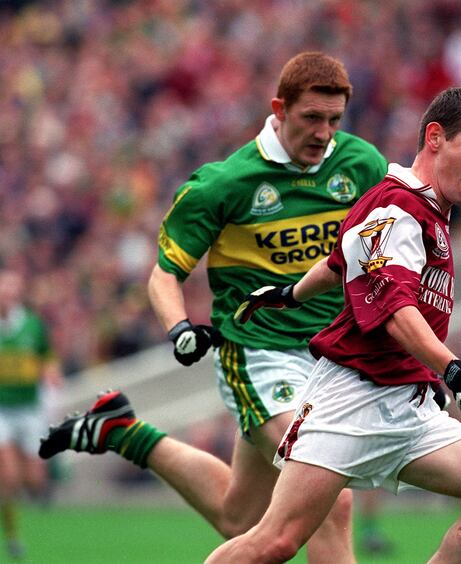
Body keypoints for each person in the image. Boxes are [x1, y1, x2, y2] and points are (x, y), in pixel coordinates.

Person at [39, 52, 388, 562]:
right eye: (312, 117)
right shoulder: (224, 183)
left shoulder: (363, 164)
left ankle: (121, 431)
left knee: (239, 518)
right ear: (280, 109)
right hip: (259, 353)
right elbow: (165, 274)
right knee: (326, 487)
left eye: (334, 119)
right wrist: (179, 327)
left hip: (333, 358)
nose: (323, 133)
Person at [209, 87, 461, 563]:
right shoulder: (398, 207)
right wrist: (452, 368)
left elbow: (339, 263)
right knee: (275, 541)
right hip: (352, 400)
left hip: (409, 406)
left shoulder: (423, 207)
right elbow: (392, 307)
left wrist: (289, 294)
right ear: (435, 137)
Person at [0, 269, 63, 559]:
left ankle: (47, 474)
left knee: (35, 481)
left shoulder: (32, 325)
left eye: (10, 289)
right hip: (2, 409)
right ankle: (12, 536)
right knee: (8, 477)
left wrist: (51, 373)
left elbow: (47, 356)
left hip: (29, 408)